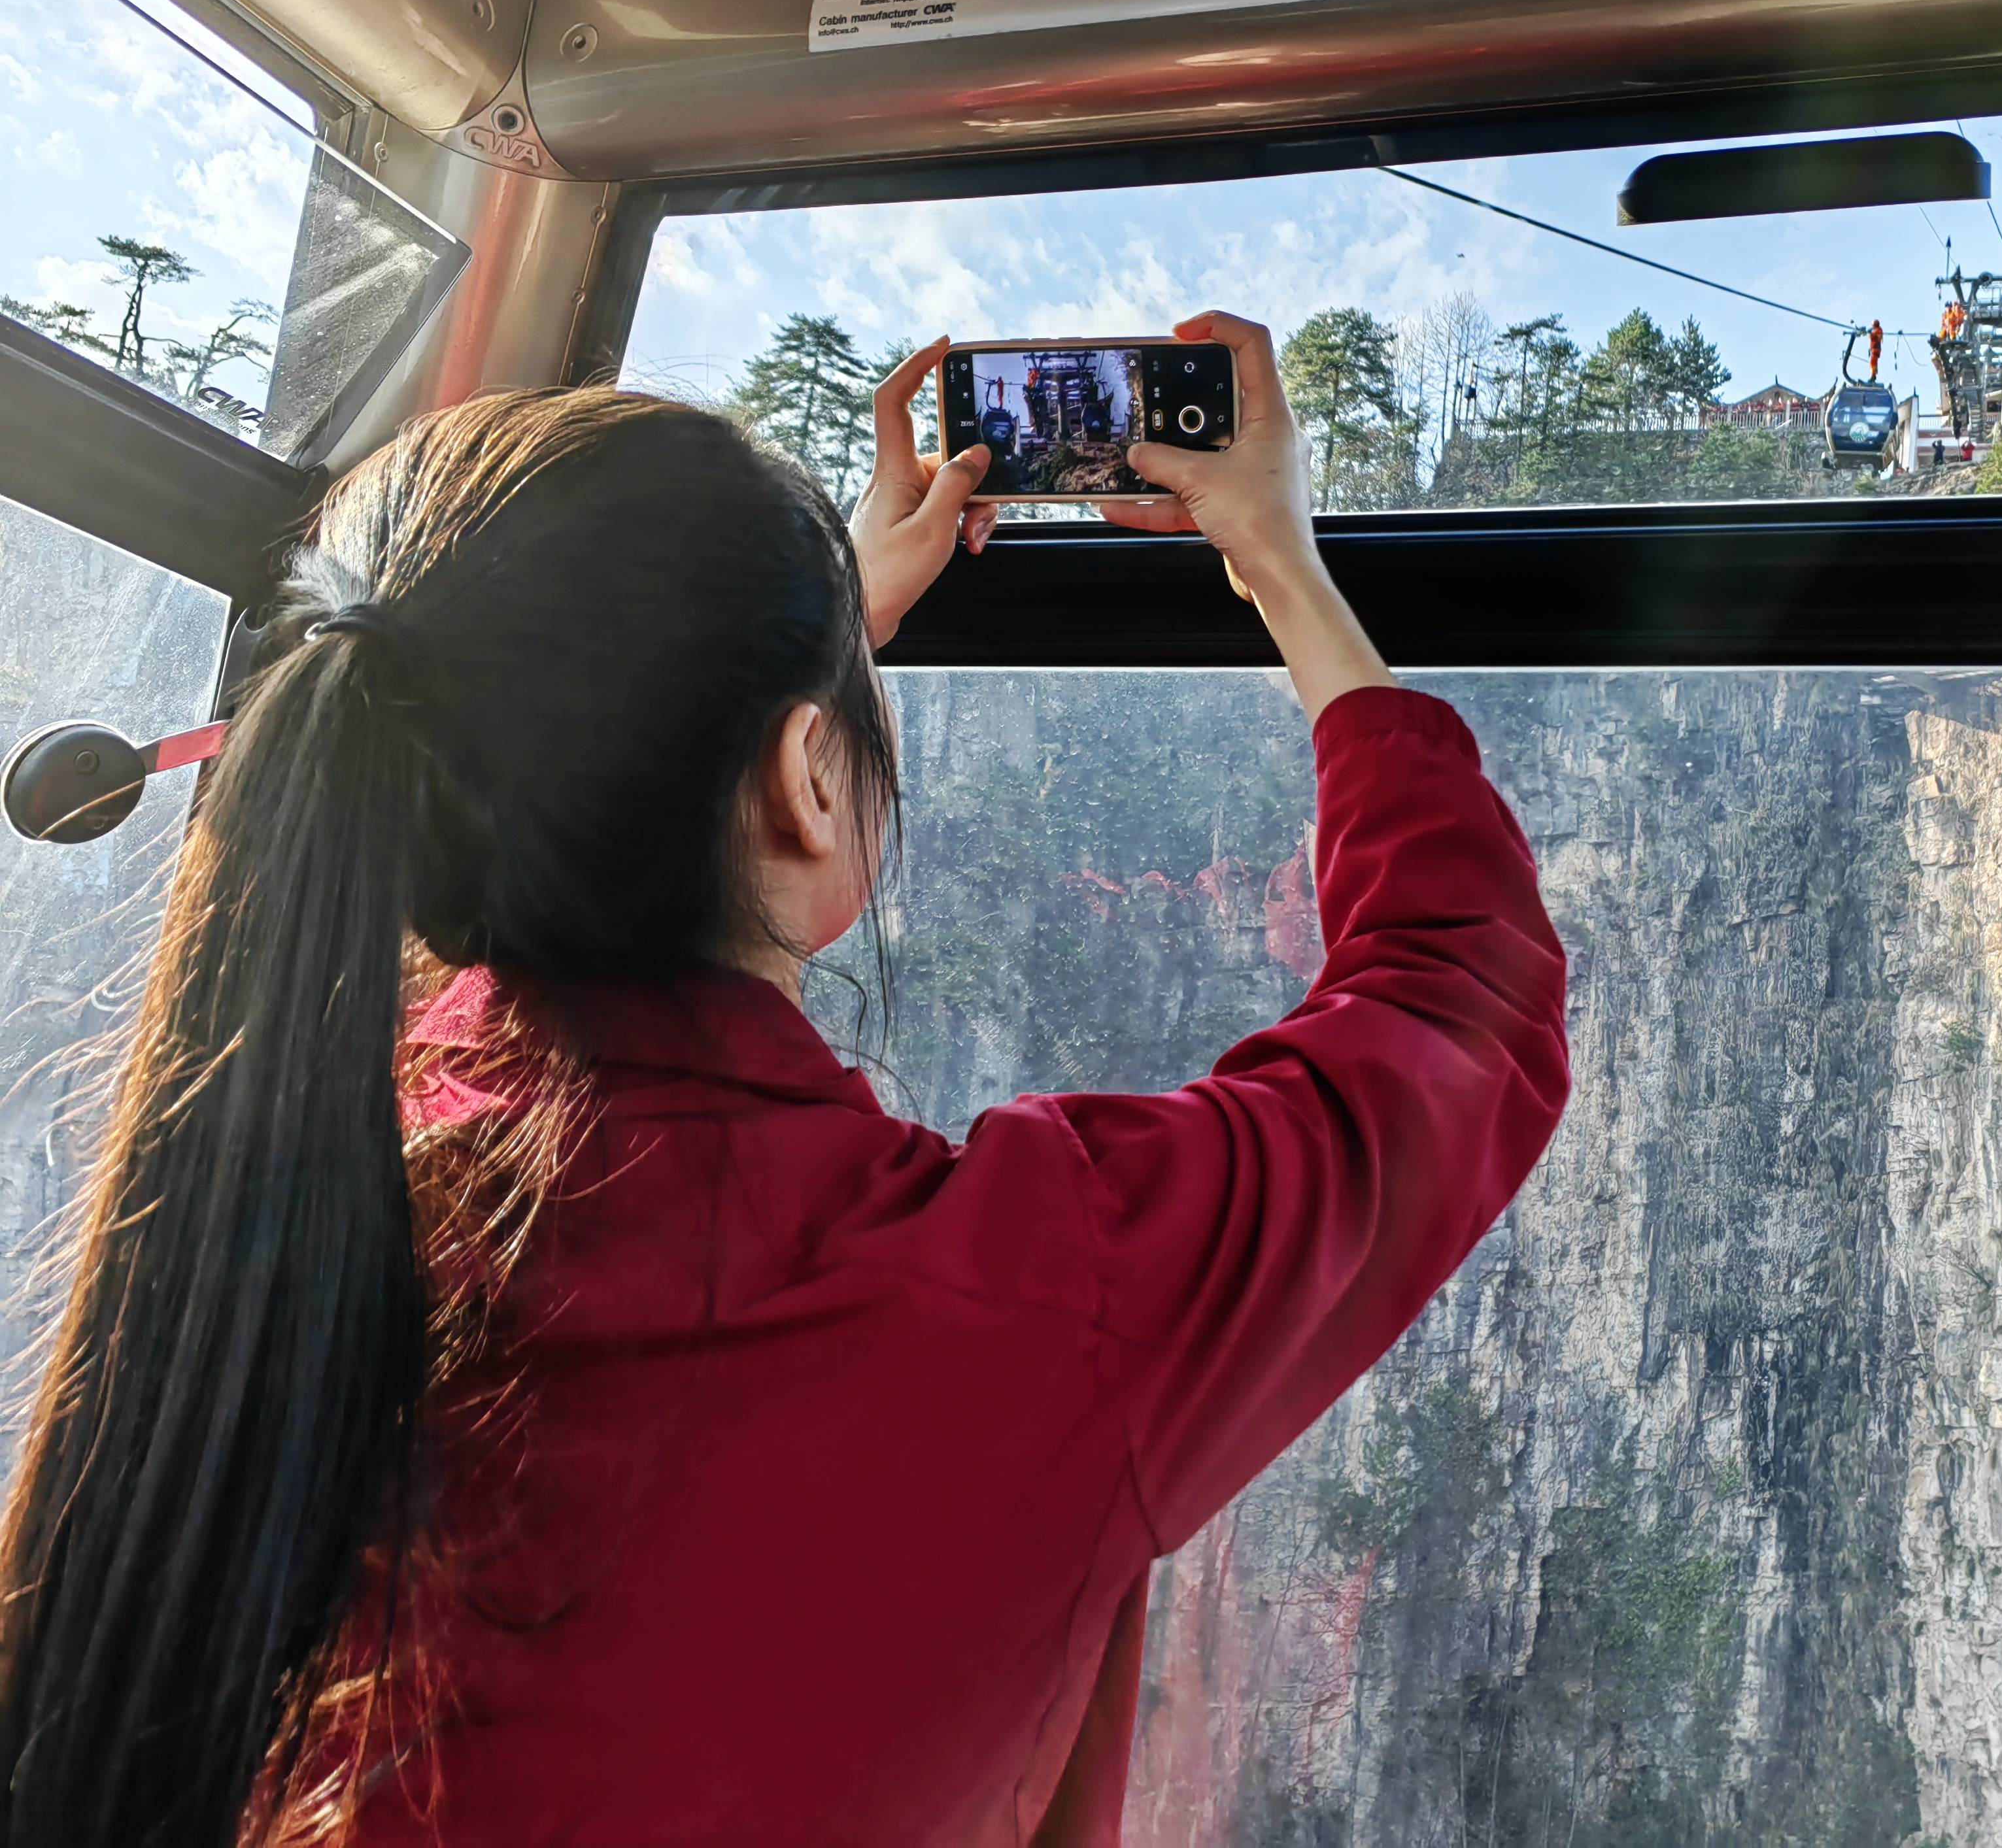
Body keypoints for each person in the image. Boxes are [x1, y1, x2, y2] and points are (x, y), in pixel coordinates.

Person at [0, 311, 1570, 1848]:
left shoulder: (272, 1185)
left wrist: (792, 664)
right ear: (809, 779)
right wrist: (1278, 561)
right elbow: (1459, 999)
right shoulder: (1029, 1305)